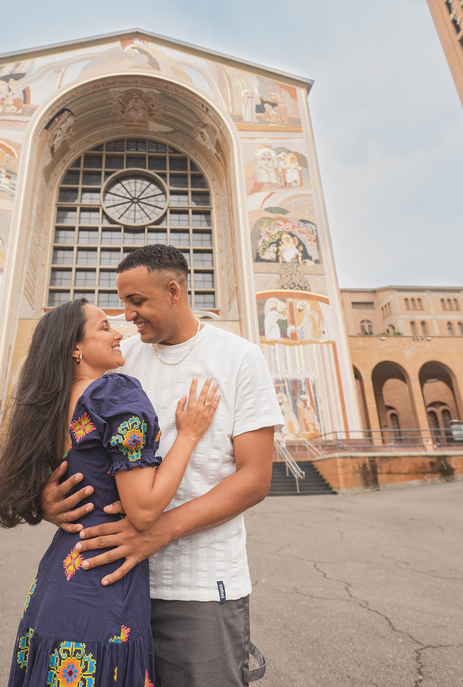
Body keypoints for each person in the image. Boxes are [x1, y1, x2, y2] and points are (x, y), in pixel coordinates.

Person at [42, 245, 284, 686]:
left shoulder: (239, 358)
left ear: (174, 291)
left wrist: (159, 531)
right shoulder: (118, 358)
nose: (127, 316)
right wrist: (47, 498)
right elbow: (68, 440)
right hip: (115, 584)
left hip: (199, 589)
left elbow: (254, 478)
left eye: (137, 302)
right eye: (122, 303)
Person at [0, 298, 220, 687]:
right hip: (102, 588)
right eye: (104, 327)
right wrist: (189, 434)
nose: (119, 333)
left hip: (53, 586)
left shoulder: (53, 404)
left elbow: (25, 486)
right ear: (74, 348)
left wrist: (45, 507)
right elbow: (144, 510)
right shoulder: (113, 394)